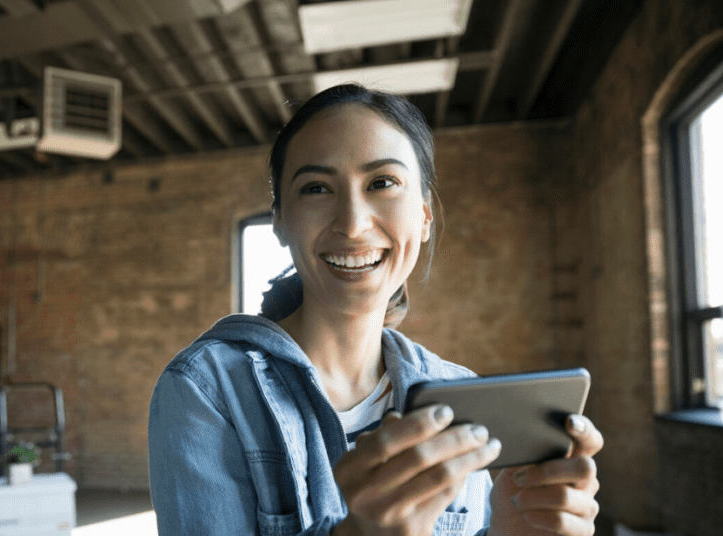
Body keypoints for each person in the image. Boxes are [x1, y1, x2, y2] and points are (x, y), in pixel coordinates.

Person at [147, 84, 603, 536]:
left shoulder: (457, 390)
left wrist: (510, 531)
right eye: (316, 188)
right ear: (280, 222)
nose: (352, 223)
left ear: (424, 216)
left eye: (382, 182)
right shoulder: (207, 390)